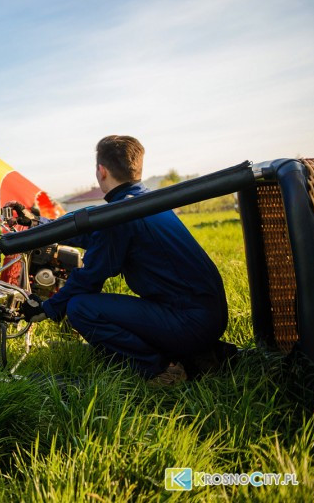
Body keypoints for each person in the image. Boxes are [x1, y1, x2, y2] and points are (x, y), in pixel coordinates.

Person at [17, 135, 231, 385]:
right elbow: (90, 232)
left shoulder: (120, 216)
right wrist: (36, 224)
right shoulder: (145, 202)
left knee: (81, 308)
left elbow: (90, 277)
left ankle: (160, 370)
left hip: (190, 322)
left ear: (101, 171)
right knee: (88, 306)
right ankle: (198, 356)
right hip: (206, 316)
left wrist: (46, 309)